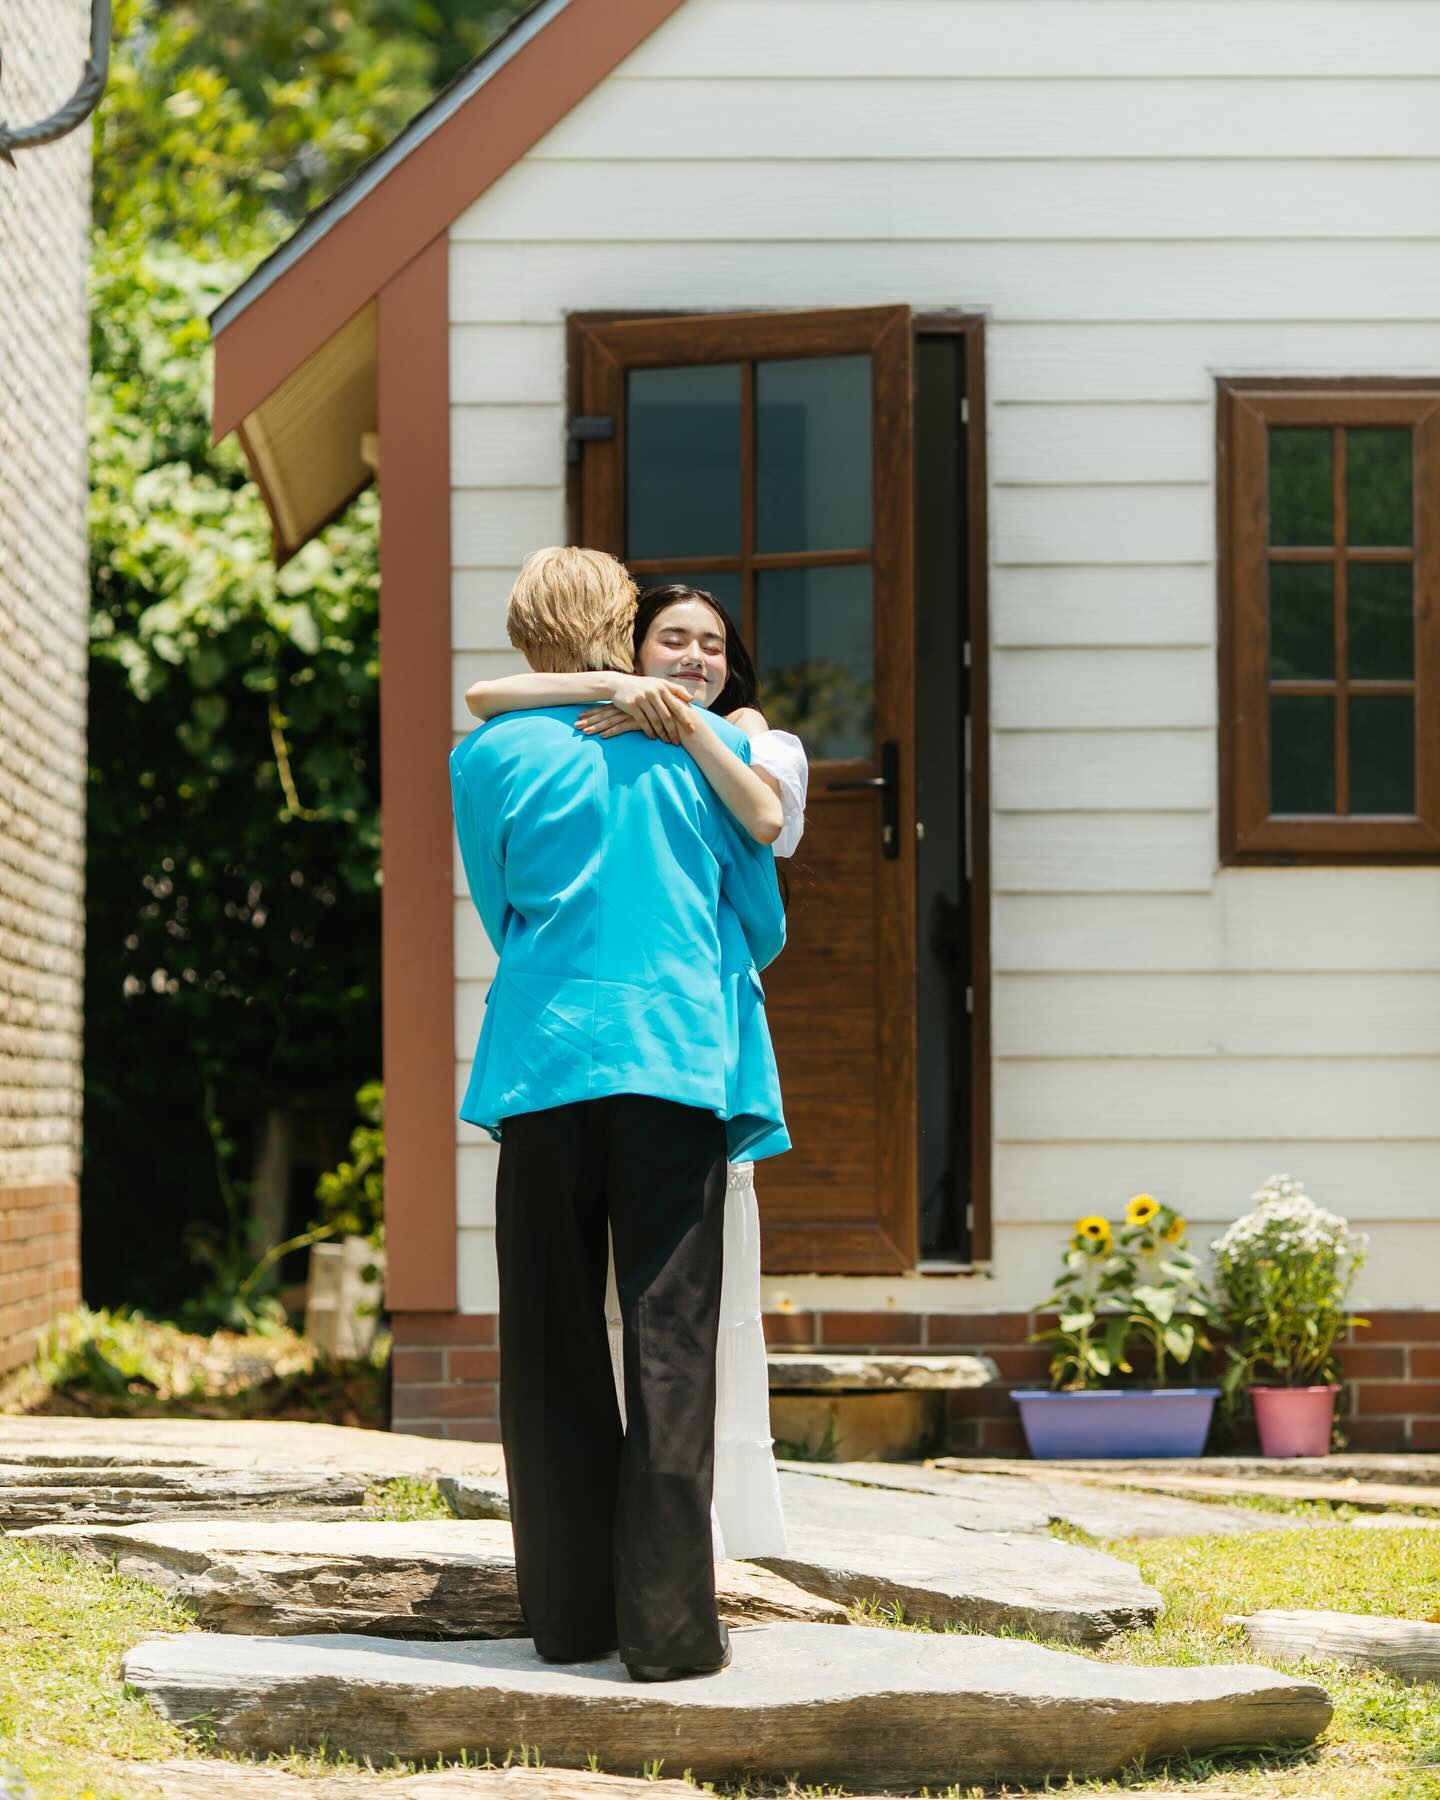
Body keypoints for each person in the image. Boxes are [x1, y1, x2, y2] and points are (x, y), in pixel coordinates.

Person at [450, 548, 788, 1683]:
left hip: (542, 1060)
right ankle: (670, 1632)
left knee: (548, 1340)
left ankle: (567, 1619)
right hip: (674, 1059)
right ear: (621, 628)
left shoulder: (486, 754)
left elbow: (501, 903)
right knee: (669, 1340)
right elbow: (762, 922)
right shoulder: (703, 748)